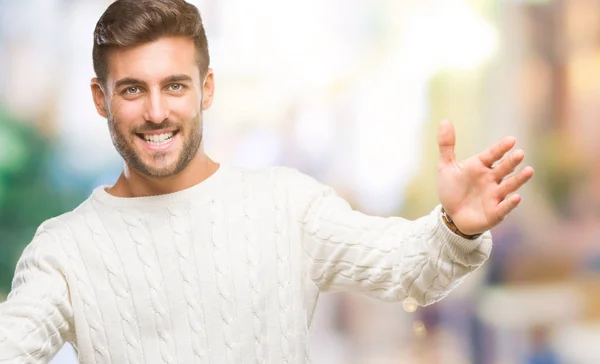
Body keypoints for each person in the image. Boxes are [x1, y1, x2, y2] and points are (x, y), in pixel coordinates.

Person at [0, 0, 534, 363]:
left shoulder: (285, 204)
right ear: (101, 98)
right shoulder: (63, 250)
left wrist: (454, 228)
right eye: (134, 89)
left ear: (206, 89)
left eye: (176, 85)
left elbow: (408, 269)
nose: (157, 112)